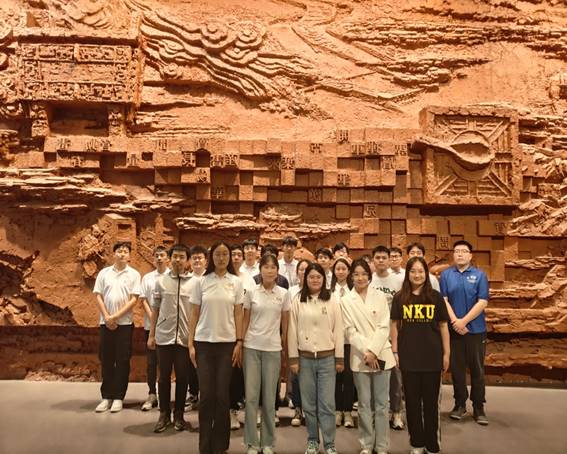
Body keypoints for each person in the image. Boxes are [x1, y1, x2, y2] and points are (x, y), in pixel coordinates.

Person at [189, 241, 245, 454]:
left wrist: (239, 341)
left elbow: (238, 313)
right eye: (217, 254)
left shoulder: (236, 282)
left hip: (227, 345)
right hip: (203, 343)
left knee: (222, 396)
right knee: (206, 396)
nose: (221, 258)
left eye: (225, 254)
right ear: (211, 257)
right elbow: (194, 313)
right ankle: (205, 445)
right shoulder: (201, 282)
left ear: (229, 257)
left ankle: (220, 445)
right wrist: (190, 343)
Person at [390, 257, 450, 454]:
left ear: (426, 274)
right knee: (412, 404)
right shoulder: (400, 297)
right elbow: (394, 326)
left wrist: (446, 353)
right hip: (409, 358)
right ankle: (416, 443)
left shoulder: (435, 297)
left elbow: (443, 326)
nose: (417, 275)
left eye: (421, 271)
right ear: (408, 274)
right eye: (413, 271)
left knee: (431, 405)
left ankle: (432, 445)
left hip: (432, 357)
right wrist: (395, 351)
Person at [340, 259, 395, 454]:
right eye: (356, 274)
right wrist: (367, 352)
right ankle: (366, 444)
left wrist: (373, 351)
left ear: (369, 276)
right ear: (351, 277)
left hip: (381, 354)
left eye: (364, 274)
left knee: (381, 403)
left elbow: (384, 326)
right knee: (364, 403)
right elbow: (349, 331)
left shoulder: (380, 296)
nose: (360, 278)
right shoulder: (346, 300)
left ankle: (382, 445)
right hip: (360, 357)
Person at [288, 262, 344, 454]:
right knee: (309, 404)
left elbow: (339, 329)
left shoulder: (332, 299)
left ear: (323, 279)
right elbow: (292, 330)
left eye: (318, 277)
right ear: (305, 279)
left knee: (327, 404)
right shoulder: (298, 300)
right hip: (304, 359)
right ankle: (312, 440)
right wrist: (293, 358)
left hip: (327, 358)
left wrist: (339, 358)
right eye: (311, 277)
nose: (314, 280)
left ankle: (329, 443)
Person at [242, 254, 291, 454]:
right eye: (266, 267)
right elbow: (245, 320)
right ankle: (251, 443)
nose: (269, 271)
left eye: (273, 267)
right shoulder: (251, 292)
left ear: (277, 271)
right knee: (251, 398)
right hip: (251, 347)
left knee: (270, 399)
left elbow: (285, 324)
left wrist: (285, 349)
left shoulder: (284, 294)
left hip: (273, 349)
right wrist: (240, 343)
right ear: (260, 270)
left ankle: (268, 442)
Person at [440, 240, 489, 426]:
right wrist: (455, 321)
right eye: (457, 251)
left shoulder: (479, 275)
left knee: (477, 370)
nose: (460, 254)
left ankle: (478, 407)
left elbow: (482, 301)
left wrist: (464, 321)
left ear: (470, 255)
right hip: (454, 331)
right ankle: (460, 404)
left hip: (476, 330)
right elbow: (444, 300)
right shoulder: (446, 275)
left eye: (464, 251)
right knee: (457, 370)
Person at [148, 244, 193, 432]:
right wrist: (151, 334)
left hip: (184, 338)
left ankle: (179, 415)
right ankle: (164, 414)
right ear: (170, 258)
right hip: (164, 337)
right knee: (163, 377)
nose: (178, 260)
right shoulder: (161, 282)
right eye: (175, 256)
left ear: (187, 260)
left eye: (182, 257)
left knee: (183, 377)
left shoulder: (195, 283)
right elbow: (155, 310)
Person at [93, 241, 141, 413]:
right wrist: (107, 316)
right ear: (113, 254)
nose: (122, 254)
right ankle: (106, 397)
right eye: (119, 251)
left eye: (125, 251)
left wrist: (115, 317)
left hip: (124, 324)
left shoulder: (134, 274)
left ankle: (119, 397)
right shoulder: (104, 273)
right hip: (105, 323)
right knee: (106, 359)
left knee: (122, 360)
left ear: (129, 255)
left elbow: (134, 299)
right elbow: (98, 296)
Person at [371, 245, 404, 430]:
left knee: (395, 377)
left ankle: (396, 412)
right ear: (373, 260)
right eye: (378, 257)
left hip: (394, 334)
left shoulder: (398, 281)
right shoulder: (369, 280)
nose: (381, 260)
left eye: (384, 257)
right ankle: (376, 413)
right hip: (374, 335)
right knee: (375, 376)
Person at [139, 246, 169, 411]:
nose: (159, 258)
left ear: (167, 258)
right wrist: (152, 317)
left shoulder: (172, 277)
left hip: (168, 327)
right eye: (156, 255)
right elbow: (143, 299)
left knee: (166, 363)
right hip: (150, 326)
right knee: (151, 363)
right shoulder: (147, 278)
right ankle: (152, 394)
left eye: (162, 255)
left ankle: (165, 396)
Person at [330, 258, 354, 429]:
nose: (340, 271)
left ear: (348, 271)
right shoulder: (329, 291)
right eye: (337, 269)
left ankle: (348, 412)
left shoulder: (354, 291)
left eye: (343, 268)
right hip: (334, 340)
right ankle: (338, 410)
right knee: (337, 377)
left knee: (349, 377)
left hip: (351, 341)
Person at [287, 258, 311, 427]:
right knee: (296, 376)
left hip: (312, 340)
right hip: (295, 336)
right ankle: (297, 408)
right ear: (297, 273)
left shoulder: (317, 291)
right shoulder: (291, 291)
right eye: (301, 269)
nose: (303, 272)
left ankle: (309, 410)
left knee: (310, 379)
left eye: (306, 269)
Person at [185, 244, 208, 411]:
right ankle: (193, 394)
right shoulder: (186, 280)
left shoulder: (210, 279)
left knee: (205, 365)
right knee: (191, 364)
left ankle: (205, 395)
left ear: (206, 261)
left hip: (206, 328)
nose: (197, 261)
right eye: (194, 258)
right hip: (189, 327)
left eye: (200, 258)